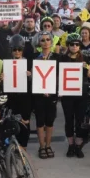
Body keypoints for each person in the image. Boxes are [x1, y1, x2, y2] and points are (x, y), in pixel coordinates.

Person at [59, 33, 90, 158]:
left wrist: (87, 67)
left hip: (81, 93)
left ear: (80, 46)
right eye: (72, 44)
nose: (74, 46)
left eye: (77, 44)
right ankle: (70, 144)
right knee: (68, 119)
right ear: (68, 45)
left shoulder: (85, 58)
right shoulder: (62, 58)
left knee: (80, 119)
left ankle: (78, 145)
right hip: (67, 94)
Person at [29, 31, 59, 159]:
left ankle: (48, 145)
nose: (45, 42)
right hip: (38, 94)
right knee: (40, 121)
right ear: (39, 43)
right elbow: (31, 75)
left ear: (51, 42)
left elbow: (61, 75)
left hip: (52, 94)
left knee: (50, 121)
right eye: (43, 40)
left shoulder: (57, 57)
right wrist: (29, 75)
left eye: (48, 40)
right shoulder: (34, 57)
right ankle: (41, 146)